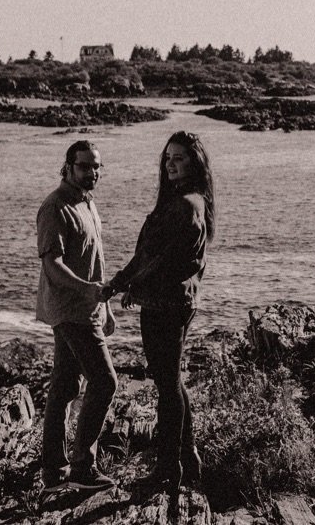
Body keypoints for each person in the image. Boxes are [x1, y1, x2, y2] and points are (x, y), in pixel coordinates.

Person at [104, 131, 216, 494]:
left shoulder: (184, 205)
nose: (170, 163)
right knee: (172, 382)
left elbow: (160, 259)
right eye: (167, 157)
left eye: (179, 158)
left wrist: (126, 285)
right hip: (176, 302)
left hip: (166, 305)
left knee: (167, 387)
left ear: (194, 162)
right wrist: (124, 283)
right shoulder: (192, 201)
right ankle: (187, 455)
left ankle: (169, 468)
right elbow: (156, 258)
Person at [36, 140, 118, 491]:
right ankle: (82, 466)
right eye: (85, 166)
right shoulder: (55, 207)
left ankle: (53, 470)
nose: (92, 172)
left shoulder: (88, 203)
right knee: (105, 382)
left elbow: (94, 260)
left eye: (97, 166)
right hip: (71, 312)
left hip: (87, 308)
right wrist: (87, 291)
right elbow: (52, 266)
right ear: (67, 167)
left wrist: (107, 307)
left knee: (65, 387)